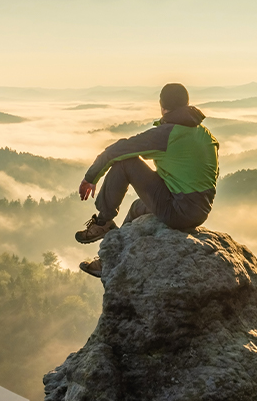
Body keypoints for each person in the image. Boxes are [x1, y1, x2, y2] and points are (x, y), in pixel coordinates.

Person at [73, 83, 219, 277]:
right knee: (137, 208)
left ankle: (103, 222)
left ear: (162, 106)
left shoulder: (166, 134)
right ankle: (109, 260)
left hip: (178, 211)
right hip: (200, 209)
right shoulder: (205, 134)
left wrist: (91, 177)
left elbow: (118, 150)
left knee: (125, 163)